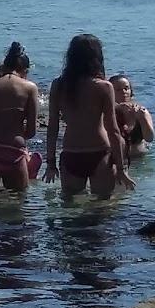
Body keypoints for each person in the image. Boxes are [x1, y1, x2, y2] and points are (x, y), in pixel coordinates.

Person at [46, 34, 131, 198]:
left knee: (69, 209)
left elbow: (53, 127)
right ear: (97, 57)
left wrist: (51, 163)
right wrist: (121, 169)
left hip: (71, 153)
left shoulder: (59, 85)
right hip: (99, 152)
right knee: (103, 208)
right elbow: (112, 129)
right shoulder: (103, 87)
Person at [0, 43, 42, 193]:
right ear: (26, 70)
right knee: (17, 203)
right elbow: (31, 131)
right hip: (11, 148)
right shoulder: (29, 88)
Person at [111, 74, 155, 163]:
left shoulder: (141, 111)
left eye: (126, 88)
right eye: (118, 89)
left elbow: (149, 138)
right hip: (116, 161)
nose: (123, 92)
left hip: (139, 161)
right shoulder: (106, 113)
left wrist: (142, 119)